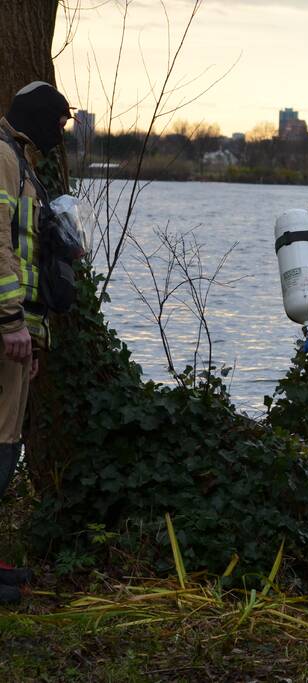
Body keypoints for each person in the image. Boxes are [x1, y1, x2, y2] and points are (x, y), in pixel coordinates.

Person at [0, 82, 73, 607]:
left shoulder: (21, 162)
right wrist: (10, 323)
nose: (60, 136)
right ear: (39, 118)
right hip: (5, 330)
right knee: (0, 446)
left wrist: (35, 333)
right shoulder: (3, 159)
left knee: (6, 446)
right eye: (60, 124)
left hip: (20, 332)